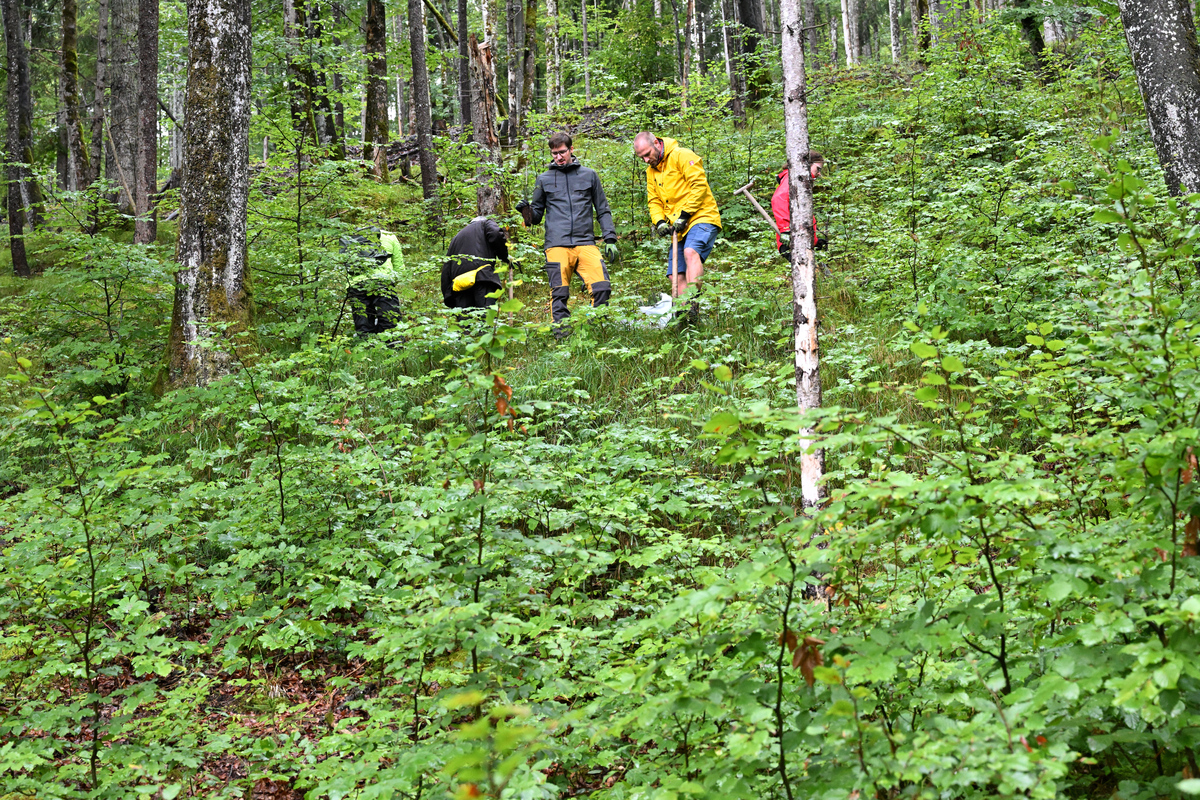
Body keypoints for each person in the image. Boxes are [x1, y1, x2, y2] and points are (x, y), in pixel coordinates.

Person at [517, 131, 618, 339]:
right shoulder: (543, 179)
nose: (558, 157)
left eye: (562, 152)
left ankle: (594, 331)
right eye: (554, 153)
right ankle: (562, 337)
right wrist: (526, 212)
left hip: (585, 242)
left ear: (571, 150)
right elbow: (535, 218)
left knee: (602, 287)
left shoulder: (589, 175)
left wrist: (610, 238)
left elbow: (603, 209)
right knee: (560, 292)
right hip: (556, 244)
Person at [633, 131, 721, 325]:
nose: (647, 160)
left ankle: (691, 304)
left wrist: (685, 214)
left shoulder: (682, 155)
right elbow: (654, 200)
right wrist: (659, 222)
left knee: (690, 252)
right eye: (642, 158)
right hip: (678, 225)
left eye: (648, 154)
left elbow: (699, 186)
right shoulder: (651, 172)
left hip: (701, 215)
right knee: (675, 273)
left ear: (656, 143)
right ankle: (684, 319)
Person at [342, 228, 405, 337]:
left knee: (363, 325)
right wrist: (393, 282)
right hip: (383, 281)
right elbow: (399, 267)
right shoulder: (389, 235)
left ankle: (366, 350)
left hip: (356, 284)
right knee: (390, 321)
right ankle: (394, 348)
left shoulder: (349, 238)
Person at [442, 216, 509, 311]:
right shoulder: (485, 224)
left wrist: (448, 295)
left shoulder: (456, 237)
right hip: (482, 277)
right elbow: (495, 233)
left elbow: (446, 268)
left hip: (460, 285)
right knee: (486, 318)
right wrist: (504, 257)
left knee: (465, 321)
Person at [771, 151, 826, 260]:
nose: (819, 173)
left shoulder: (801, 184)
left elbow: (803, 217)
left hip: (797, 240)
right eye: (818, 169)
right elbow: (778, 199)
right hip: (791, 243)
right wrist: (785, 230)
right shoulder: (791, 179)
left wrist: (815, 241)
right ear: (806, 165)